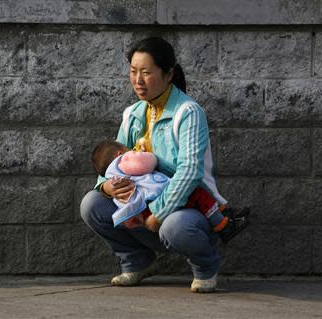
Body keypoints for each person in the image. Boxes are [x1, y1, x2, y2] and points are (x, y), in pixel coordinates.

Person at [81, 36, 236, 293]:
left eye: (146, 73)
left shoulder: (188, 112)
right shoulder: (131, 114)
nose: (138, 81)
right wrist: (107, 187)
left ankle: (206, 265)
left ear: (168, 74)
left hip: (190, 208)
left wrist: (160, 213)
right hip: (143, 209)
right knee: (92, 204)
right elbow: (112, 165)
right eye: (133, 72)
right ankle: (137, 262)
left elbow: (190, 171)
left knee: (176, 226)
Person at [91, 140, 249, 241]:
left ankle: (225, 213)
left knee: (198, 198)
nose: (132, 150)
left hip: (144, 206)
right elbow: (148, 162)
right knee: (198, 195)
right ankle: (223, 226)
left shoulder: (112, 174)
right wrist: (143, 152)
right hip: (155, 199)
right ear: (120, 154)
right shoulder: (124, 160)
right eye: (129, 149)